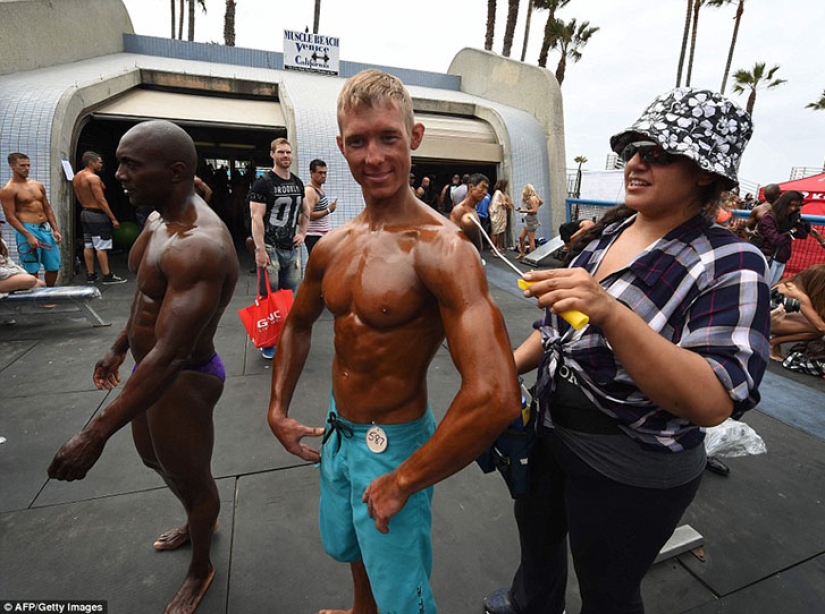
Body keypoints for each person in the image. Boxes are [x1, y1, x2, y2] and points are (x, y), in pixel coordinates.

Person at [483, 87, 771, 614]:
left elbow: (711, 401)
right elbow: (557, 332)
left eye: (657, 153)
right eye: (633, 150)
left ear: (704, 172)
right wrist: (499, 373)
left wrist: (612, 315)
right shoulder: (607, 234)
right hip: (548, 430)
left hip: (632, 463)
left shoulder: (731, 261)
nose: (636, 163)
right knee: (537, 545)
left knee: (608, 590)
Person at [266, 69, 520, 614]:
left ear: (415, 137)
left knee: (403, 590)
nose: (374, 156)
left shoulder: (443, 250)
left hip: (395, 442)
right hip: (338, 427)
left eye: (388, 137)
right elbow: (298, 322)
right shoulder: (333, 245)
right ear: (341, 146)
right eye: (358, 141)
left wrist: (404, 479)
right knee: (351, 543)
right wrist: (277, 408)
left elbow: (496, 394)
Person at [47, 119, 239, 614]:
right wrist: (118, 346)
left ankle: (201, 566)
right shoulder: (157, 220)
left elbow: (172, 352)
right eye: (118, 164)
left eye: (130, 165)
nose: (118, 175)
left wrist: (93, 434)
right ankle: (198, 517)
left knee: (192, 478)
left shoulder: (200, 245)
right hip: (148, 368)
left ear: (174, 172)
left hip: (183, 377)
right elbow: (146, 295)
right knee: (155, 460)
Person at [249, 137, 311, 360]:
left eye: (288, 152)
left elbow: (306, 210)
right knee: (269, 296)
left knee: (288, 296)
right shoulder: (263, 183)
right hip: (270, 248)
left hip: (290, 248)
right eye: (281, 152)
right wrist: (260, 249)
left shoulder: (297, 182)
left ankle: (285, 336)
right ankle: (269, 341)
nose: (285, 156)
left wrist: (302, 233)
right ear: (272, 154)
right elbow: (256, 217)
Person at [0, 153, 62, 286]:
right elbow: (10, 217)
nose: (26, 168)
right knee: (32, 267)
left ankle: (49, 293)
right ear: (12, 166)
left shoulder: (37, 185)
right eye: (22, 166)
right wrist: (28, 235)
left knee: (53, 265)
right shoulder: (8, 189)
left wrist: (55, 229)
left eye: (28, 165)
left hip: (44, 228)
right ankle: (35, 295)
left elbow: (47, 208)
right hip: (26, 228)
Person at [73, 151, 127, 285]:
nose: (102, 165)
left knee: (88, 244)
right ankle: (107, 275)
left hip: (85, 212)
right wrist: (113, 218)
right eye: (100, 162)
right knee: (101, 246)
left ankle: (90, 274)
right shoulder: (93, 178)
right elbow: (101, 200)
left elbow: (79, 197)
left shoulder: (77, 177)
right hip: (96, 215)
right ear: (92, 163)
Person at [769, 264, 825, 362]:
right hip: (765, 322)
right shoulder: (799, 295)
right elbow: (820, 326)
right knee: (817, 329)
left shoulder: (790, 284)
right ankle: (772, 343)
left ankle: (774, 343)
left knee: (810, 321)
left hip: (763, 318)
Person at [756, 189, 809, 286]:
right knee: (764, 287)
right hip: (770, 257)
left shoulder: (790, 218)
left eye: (796, 206)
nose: (793, 208)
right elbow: (776, 240)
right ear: (784, 203)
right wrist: (791, 231)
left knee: (772, 288)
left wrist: (797, 221)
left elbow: (802, 234)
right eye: (791, 205)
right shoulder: (769, 218)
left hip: (782, 258)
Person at [304, 158, 337, 258]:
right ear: (312, 173)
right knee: (318, 263)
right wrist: (328, 210)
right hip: (313, 235)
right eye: (320, 173)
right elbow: (308, 215)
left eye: (325, 173)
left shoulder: (318, 188)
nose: (323, 176)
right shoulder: (310, 191)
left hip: (320, 234)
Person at [450, 172, 490, 253]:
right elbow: (454, 241)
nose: (485, 192)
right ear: (471, 187)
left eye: (486, 189)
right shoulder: (460, 210)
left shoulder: (474, 207)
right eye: (482, 187)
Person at [1, 226, 45, 295]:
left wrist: (21, 273)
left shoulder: (2, 242)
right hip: (2, 275)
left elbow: (9, 263)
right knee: (30, 280)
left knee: (39, 284)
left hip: (6, 274)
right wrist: (15, 273)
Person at [516, 184, 542, 260]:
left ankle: (532, 257)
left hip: (532, 222)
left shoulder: (533, 198)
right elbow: (540, 202)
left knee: (531, 239)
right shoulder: (534, 198)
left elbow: (534, 210)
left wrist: (524, 210)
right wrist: (533, 206)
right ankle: (522, 253)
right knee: (521, 237)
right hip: (528, 221)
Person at [489, 179, 514, 253]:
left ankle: (499, 247)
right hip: (498, 215)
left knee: (501, 232)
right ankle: (495, 249)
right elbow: (500, 203)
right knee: (496, 232)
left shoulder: (501, 193)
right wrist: (507, 204)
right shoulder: (498, 193)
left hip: (501, 215)